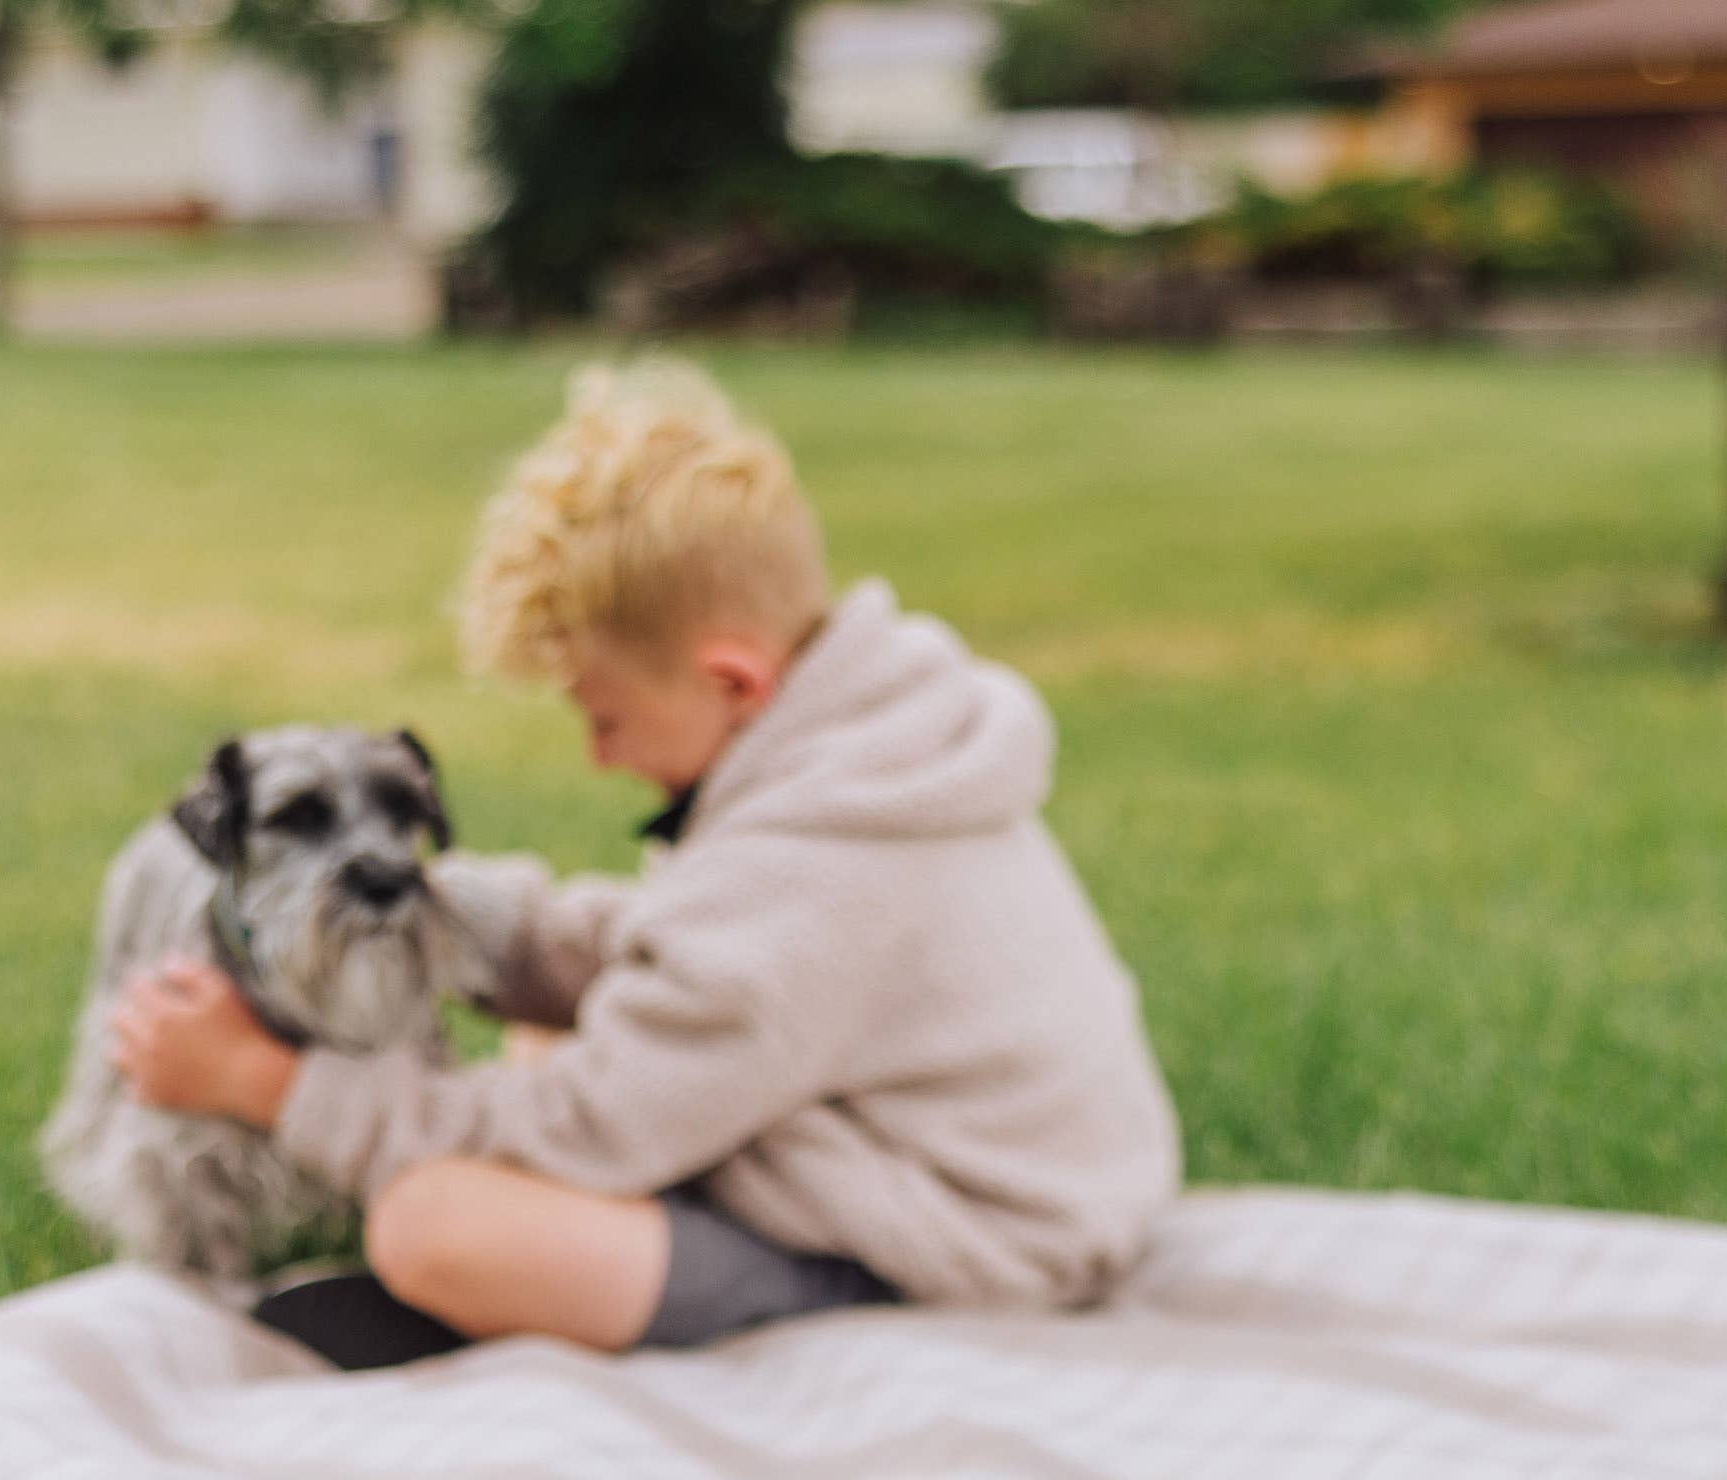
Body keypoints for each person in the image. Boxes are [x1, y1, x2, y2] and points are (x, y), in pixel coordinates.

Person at [107, 360, 1177, 1362]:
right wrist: (494, 923)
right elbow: (685, 951)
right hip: (977, 1162)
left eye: (605, 714)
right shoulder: (870, 752)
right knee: (549, 1033)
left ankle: (585, 1309)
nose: (597, 752)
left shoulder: (811, 874)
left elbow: (578, 1128)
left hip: (973, 1252)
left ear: (730, 682)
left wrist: (268, 1083)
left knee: (434, 1224)